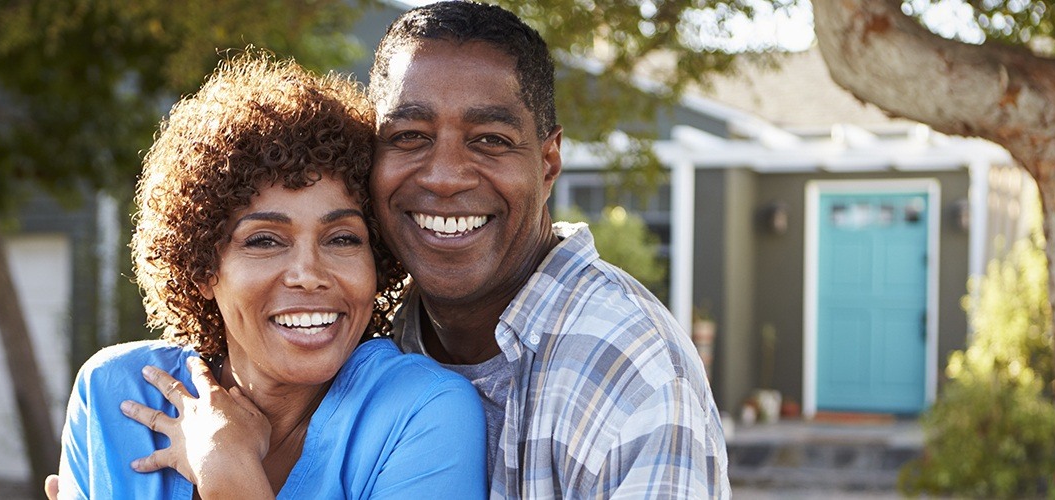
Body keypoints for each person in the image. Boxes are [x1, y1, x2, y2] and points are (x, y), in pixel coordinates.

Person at [54, 53, 486, 499]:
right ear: (202, 268)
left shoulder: (422, 413)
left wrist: (225, 468)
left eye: (341, 239)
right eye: (264, 241)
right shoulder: (117, 395)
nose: (309, 275)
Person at [368, 2, 729, 498]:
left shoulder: (633, 374)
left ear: (548, 163)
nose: (444, 177)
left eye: (490, 140)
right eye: (408, 137)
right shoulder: (359, 334)